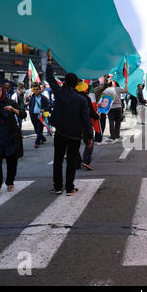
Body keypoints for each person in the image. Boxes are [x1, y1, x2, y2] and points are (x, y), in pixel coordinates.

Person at [46, 50, 93, 196]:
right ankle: (70, 188)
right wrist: (89, 137)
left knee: (58, 160)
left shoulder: (59, 93)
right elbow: (86, 120)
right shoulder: (82, 100)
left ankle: (58, 187)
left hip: (60, 132)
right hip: (75, 135)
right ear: (76, 84)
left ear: (65, 82)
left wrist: (49, 62)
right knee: (72, 162)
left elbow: (50, 78)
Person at [76, 83, 99, 170]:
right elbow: (91, 112)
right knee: (89, 142)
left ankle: (77, 163)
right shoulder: (86, 98)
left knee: (75, 144)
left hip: (73, 125)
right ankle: (85, 161)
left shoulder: (71, 98)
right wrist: (97, 117)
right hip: (85, 124)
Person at [28, 82, 51, 148]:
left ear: (40, 90)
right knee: (36, 129)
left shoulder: (43, 98)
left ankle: (37, 142)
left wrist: (44, 109)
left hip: (41, 116)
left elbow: (49, 106)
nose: (35, 90)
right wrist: (30, 110)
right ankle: (43, 138)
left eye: (37, 89)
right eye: (34, 89)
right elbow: (31, 105)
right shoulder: (32, 97)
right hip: (33, 115)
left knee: (39, 129)